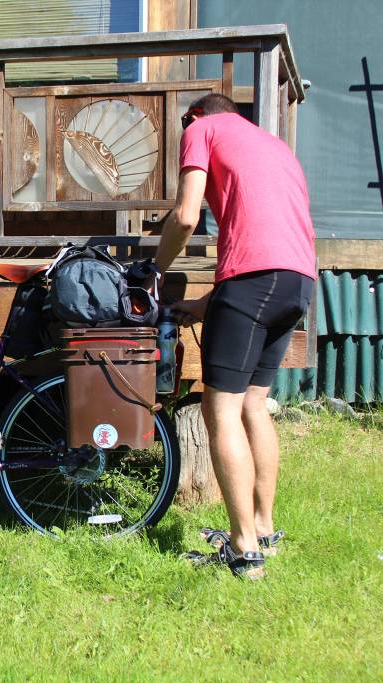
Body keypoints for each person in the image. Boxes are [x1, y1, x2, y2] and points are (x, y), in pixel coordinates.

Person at [154, 94, 316, 579]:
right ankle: (263, 527)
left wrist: (153, 272)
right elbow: (266, 239)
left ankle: (244, 550)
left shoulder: (201, 130)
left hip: (254, 281)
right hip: (298, 281)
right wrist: (206, 306)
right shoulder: (273, 145)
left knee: (219, 409)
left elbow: (185, 216)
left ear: (196, 116)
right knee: (252, 404)